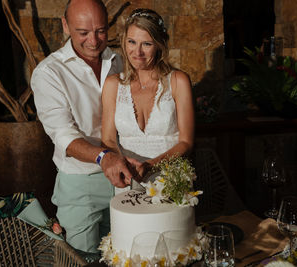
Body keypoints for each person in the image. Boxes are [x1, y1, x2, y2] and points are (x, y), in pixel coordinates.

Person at [31, 0, 134, 256]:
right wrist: (103, 156)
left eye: (100, 30)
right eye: (83, 32)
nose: (94, 40)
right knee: (81, 260)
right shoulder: (48, 73)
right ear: (65, 25)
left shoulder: (120, 62)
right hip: (80, 184)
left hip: (126, 177)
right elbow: (63, 135)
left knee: (128, 256)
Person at [101, 8, 195, 191]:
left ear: (159, 45)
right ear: (124, 41)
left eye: (147, 44)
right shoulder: (113, 85)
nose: (137, 52)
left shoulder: (178, 81)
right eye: (132, 42)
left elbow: (186, 142)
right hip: (127, 181)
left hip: (172, 181)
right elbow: (109, 140)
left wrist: (151, 166)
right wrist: (121, 165)